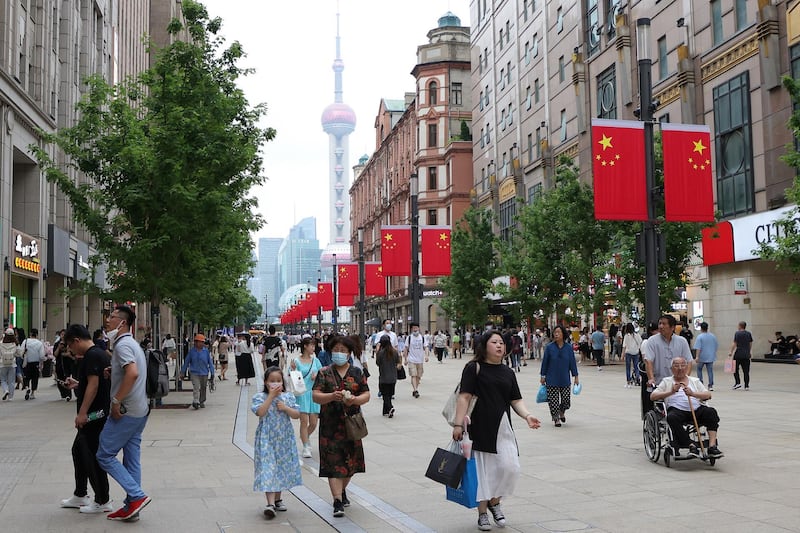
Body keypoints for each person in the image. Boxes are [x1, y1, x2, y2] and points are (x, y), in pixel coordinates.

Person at [452, 330, 541, 531]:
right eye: (494, 342)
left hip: (503, 428)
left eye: (501, 342)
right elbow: (464, 397)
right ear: (484, 346)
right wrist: (458, 425)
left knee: (511, 468)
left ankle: (494, 501)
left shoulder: (507, 372)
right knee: (484, 472)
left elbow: (515, 399)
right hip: (479, 428)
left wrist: (527, 415)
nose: (500, 346)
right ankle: (482, 513)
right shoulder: (473, 368)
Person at [97, 304, 151, 521]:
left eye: (111, 316)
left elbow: (133, 373)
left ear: (123, 323)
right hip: (140, 410)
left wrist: (116, 401)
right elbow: (129, 372)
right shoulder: (131, 344)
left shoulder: (123, 345)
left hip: (127, 411)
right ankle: (132, 507)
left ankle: (136, 496)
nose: (107, 320)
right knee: (131, 459)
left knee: (104, 454)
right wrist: (115, 372)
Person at [312, 335, 370, 518]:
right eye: (336, 350)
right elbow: (315, 395)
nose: (339, 353)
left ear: (349, 353)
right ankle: (337, 500)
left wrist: (354, 400)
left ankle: (342, 490)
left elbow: (366, 395)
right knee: (333, 464)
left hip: (351, 425)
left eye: (343, 351)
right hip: (330, 426)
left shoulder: (357, 372)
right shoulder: (324, 372)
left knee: (351, 464)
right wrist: (330, 397)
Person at [60, 324, 113, 514]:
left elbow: (94, 385)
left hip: (94, 415)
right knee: (79, 451)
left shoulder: (92, 355)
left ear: (76, 340)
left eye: (70, 347)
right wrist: (78, 384)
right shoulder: (98, 355)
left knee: (92, 454)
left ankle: (102, 499)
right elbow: (91, 383)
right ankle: (81, 494)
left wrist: (82, 413)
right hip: (95, 413)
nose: (71, 351)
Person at [252, 366, 302, 519]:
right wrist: (270, 397)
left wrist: (286, 408)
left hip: (284, 439)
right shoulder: (260, 397)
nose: (275, 384)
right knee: (268, 467)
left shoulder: (288, 397)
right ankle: (270, 503)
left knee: (281, 467)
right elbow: (260, 412)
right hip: (266, 439)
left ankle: (278, 499)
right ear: (266, 382)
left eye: (278, 381)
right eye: (272, 381)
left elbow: (297, 415)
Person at [650, 357, 724, 459]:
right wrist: (671, 392)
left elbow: (708, 394)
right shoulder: (667, 381)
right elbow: (653, 396)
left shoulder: (694, 381)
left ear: (686, 368)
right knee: (671, 418)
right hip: (677, 410)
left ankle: (712, 446)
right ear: (671, 368)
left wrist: (693, 393)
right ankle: (690, 444)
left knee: (711, 412)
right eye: (676, 365)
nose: (680, 368)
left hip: (696, 409)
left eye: (682, 365)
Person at [539, 325, 579, 427]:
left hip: (564, 378)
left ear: (563, 334)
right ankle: (556, 418)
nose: (556, 334)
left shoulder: (568, 348)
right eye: (555, 332)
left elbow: (572, 363)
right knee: (553, 401)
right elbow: (545, 363)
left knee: (566, 401)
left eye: (558, 332)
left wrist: (576, 376)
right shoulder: (549, 348)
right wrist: (542, 376)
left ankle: (562, 412)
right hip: (551, 378)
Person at [289, 336, 322, 458]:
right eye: (311, 345)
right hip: (302, 393)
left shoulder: (316, 361)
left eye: (314, 345)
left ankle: (305, 436)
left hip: (313, 393)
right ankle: (306, 446)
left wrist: (317, 376)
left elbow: (322, 373)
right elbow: (291, 376)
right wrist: (292, 370)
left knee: (313, 423)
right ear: (305, 346)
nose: (313, 348)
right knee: (304, 422)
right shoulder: (297, 361)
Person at [643, 315, 693, 393]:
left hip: (678, 384)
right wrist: (651, 379)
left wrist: (685, 378)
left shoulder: (682, 341)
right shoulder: (652, 341)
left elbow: (689, 361)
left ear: (672, 327)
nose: (661, 326)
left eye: (664, 324)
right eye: (660, 323)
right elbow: (648, 361)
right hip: (659, 383)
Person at [181, 334, 215, 410]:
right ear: (196, 342)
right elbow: (186, 362)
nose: (202, 344)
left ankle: (201, 401)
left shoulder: (206, 352)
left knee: (203, 388)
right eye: (200, 342)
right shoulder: (191, 352)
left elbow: (210, 363)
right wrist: (182, 372)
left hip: (204, 373)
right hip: (194, 372)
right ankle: (196, 401)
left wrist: (212, 373)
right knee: (196, 387)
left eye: (203, 342)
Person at [375, 336, 401, 418]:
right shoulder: (394, 351)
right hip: (393, 376)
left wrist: (377, 350)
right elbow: (398, 362)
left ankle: (390, 407)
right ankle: (385, 410)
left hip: (384, 377)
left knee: (385, 394)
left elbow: (377, 363)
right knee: (389, 394)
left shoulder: (381, 353)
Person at [403, 322, 428, 398]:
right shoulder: (409, 338)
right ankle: (415, 390)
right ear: (411, 329)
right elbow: (406, 349)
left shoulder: (422, 338)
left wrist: (426, 356)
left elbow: (426, 347)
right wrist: (405, 359)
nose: (415, 329)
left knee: (418, 376)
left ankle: (415, 389)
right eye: (413, 328)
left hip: (420, 360)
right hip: (412, 359)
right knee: (413, 375)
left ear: (419, 328)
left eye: (416, 328)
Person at [20, 328, 45, 400]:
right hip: (35, 363)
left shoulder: (25, 341)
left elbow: (21, 353)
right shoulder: (39, 343)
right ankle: (32, 393)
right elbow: (41, 355)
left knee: (26, 377)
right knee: (35, 378)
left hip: (27, 363)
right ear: (37, 334)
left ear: (30, 334)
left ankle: (27, 387)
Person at [693, 322, 718, 391]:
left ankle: (700, 383)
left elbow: (698, 348)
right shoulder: (713, 336)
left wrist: (697, 356)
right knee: (710, 371)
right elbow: (716, 346)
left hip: (702, 356)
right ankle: (710, 385)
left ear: (701, 328)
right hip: (710, 356)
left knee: (699, 369)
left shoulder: (700, 337)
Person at [728, 321, 753, 390]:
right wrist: (749, 351)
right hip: (746, 354)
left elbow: (735, 343)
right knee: (746, 371)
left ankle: (737, 382)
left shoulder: (737, 333)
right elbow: (750, 343)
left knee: (735, 369)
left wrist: (731, 351)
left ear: (740, 326)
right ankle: (746, 385)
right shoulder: (748, 334)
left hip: (738, 353)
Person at [621, 323, 643, 388]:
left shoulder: (626, 336)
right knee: (636, 367)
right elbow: (640, 343)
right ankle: (638, 378)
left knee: (628, 368)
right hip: (636, 352)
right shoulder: (637, 335)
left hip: (628, 353)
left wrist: (622, 355)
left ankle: (628, 382)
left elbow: (624, 346)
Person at [0, 328, 18, 401]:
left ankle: (5, 390)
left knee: (3, 380)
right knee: (11, 381)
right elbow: (18, 353)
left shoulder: (1, 344)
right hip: (12, 364)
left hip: (2, 364)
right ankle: (10, 397)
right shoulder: (15, 344)